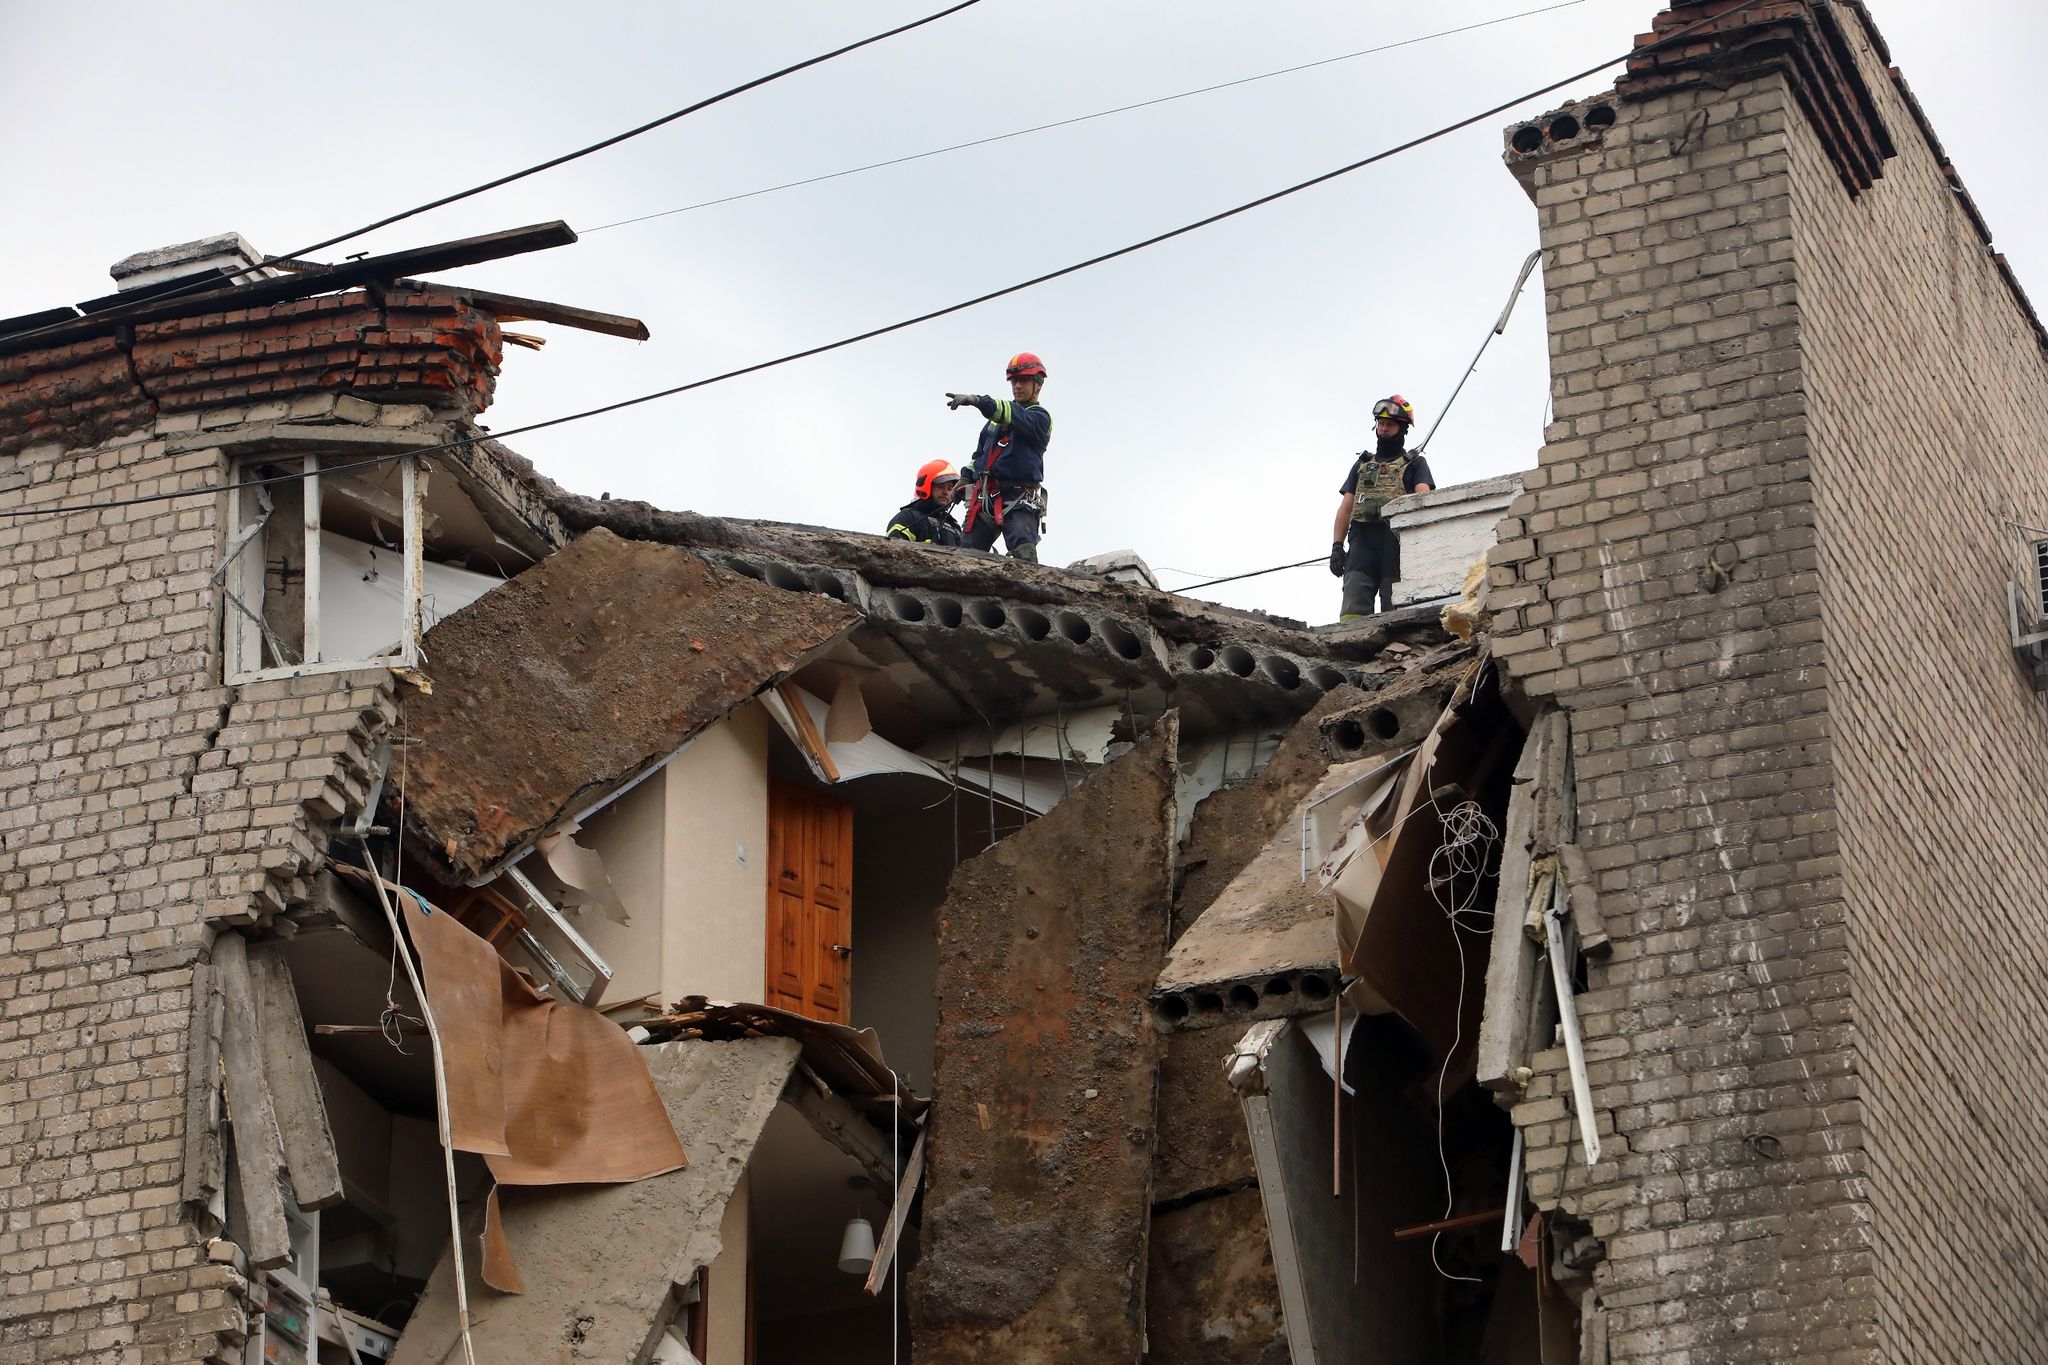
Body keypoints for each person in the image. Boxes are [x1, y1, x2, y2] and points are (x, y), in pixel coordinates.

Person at [1330, 394, 1434, 619]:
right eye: (1381, 423)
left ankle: (1394, 652)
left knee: (1394, 603)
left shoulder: (1415, 464)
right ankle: (1351, 646)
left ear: (1402, 429)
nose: (1384, 429)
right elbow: (1346, 508)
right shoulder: (1363, 464)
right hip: (1361, 543)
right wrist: (1337, 546)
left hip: (1395, 543)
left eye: (1390, 425)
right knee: (1353, 604)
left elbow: (1424, 501)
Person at [945, 352, 1052, 563]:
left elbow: (1011, 413)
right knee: (966, 558)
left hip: (1018, 498)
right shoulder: (994, 422)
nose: (1017, 386)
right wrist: (966, 478)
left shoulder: (1039, 418)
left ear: (1038, 385)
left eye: (1023, 381)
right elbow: (980, 455)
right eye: (1014, 381)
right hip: (986, 496)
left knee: (1024, 557)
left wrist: (979, 401)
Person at [886, 460, 965, 545]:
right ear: (926, 486)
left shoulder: (954, 526)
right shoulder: (907, 518)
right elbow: (895, 550)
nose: (946, 492)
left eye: (950, 488)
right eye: (940, 486)